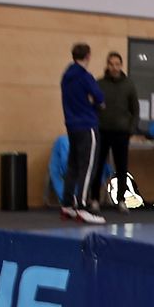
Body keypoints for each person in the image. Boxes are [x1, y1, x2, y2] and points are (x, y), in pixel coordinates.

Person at [59, 42, 106, 224]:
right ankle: (83, 206)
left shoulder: (66, 76)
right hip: (87, 125)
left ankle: (67, 204)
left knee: (73, 164)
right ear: (88, 56)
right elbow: (100, 97)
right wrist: (95, 103)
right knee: (87, 167)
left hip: (71, 125)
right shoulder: (86, 77)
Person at [91, 51, 140, 211]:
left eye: (117, 64)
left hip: (121, 132)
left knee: (122, 168)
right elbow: (92, 107)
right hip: (102, 131)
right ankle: (94, 199)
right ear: (107, 65)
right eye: (111, 64)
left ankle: (121, 200)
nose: (114, 67)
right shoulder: (99, 84)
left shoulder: (129, 85)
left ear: (121, 65)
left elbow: (135, 109)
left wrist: (131, 129)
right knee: (98, 166)